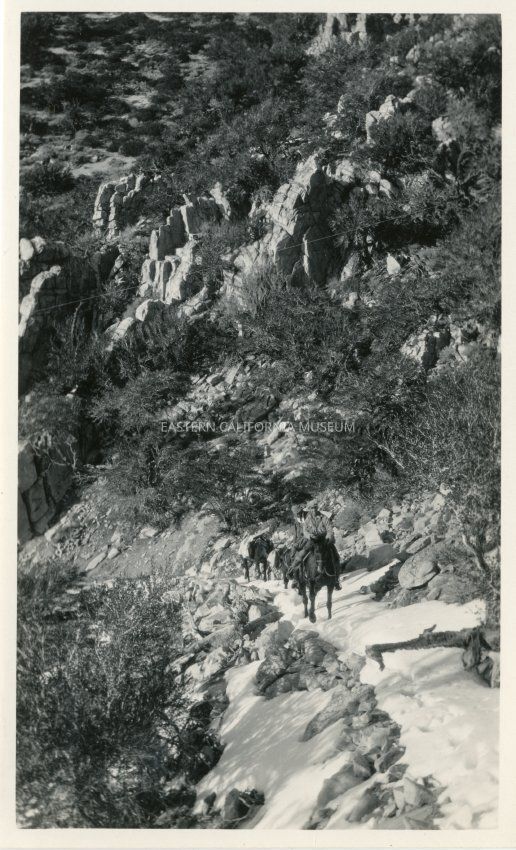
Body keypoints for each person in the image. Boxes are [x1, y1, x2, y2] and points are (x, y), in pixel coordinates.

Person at [290, 503, 341, 590]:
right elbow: (305, 531)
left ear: (317, 508)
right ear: (309, 509)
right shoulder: (308, 519)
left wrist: (328, 538)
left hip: (324, 539)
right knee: (302, 554)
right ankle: (294, 573)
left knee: (335, 555)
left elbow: (329, 529)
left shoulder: (323, 517)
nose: (313, 510)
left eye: (315, 508)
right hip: (312, 540)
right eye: (311, 508)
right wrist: (310, 536)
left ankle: (336, 579)